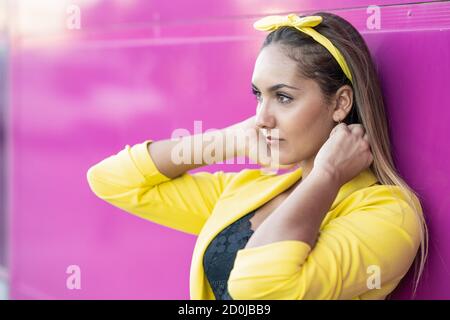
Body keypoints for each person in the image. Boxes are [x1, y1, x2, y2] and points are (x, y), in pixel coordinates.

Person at [86, 12, 427, 300]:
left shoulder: (389, 213)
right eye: (258, 96)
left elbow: (261, 287)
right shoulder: (248, 190)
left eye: (283, 97)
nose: (262, 117)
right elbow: (113, 181)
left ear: (340, 103)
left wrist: (327, 176)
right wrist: (229, 139)